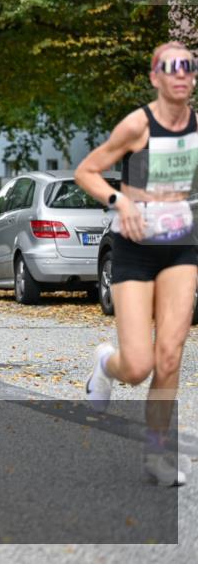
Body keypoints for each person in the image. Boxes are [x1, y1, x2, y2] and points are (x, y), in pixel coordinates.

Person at [75, 41, 197, 487]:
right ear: (155, 77)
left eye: (189, 66)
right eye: (171, 68)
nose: (181, 74)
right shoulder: (137, 125)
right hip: (135, 247)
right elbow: (86, 171)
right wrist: (119, 199)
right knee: (139, 366)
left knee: (170, 356)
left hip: (181, 246)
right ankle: (106, 363)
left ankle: (157, 455)